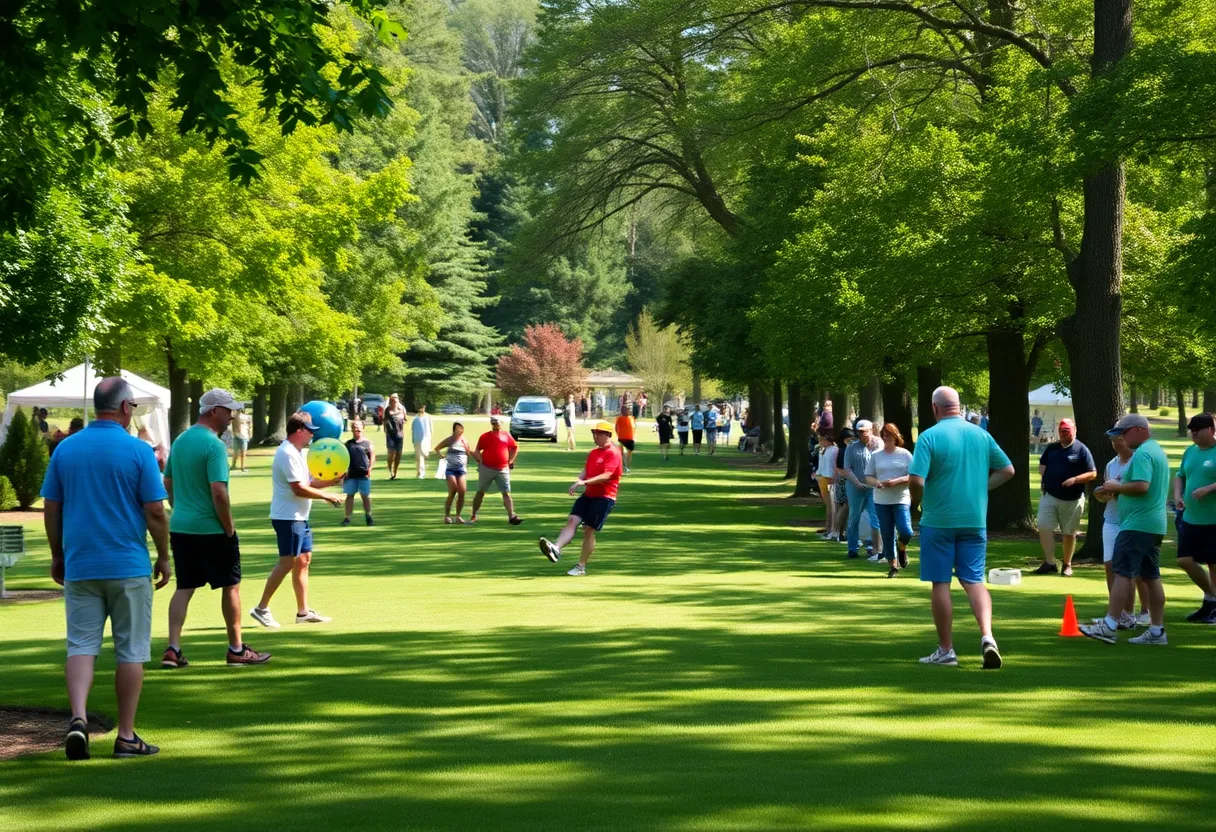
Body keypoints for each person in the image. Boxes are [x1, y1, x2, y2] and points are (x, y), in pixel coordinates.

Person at [41, 377, 170, 759]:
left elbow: (51, 506)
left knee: (81, 645)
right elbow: (155, 510)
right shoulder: (139, 450)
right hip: (127, 564)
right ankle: (126, 736)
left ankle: (78, 718)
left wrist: (57, 554)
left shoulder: (66, 448)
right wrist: (164, 556)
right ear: (126, 407)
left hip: (81, 563)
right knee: (130, 650)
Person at [161, 389, 269, 671]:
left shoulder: (181, 440)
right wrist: (229, 526)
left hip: (182, 527)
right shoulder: (214, 445)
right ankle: (236, 649)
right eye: (228, 410)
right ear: (213, 411)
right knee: (231, 586)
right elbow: (218, 492)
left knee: (185, 586)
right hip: (211, 529)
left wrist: (180, 507)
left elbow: (167, 484)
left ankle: (173, 648)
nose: (232, 415)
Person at [908, 386, 1014, 668]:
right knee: (974, 581)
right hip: (974, 519)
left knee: (940, 582)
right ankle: (988, 636)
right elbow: (1008, 470)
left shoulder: (929, 436)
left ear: (934, 408)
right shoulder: (981, 434)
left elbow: (916, 480)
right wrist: (981, 487)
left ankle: (946, 650)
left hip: (938, 520)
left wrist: (916, 503)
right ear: (957, 406)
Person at [1081, 413, 1170, 645]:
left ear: (1139, 429)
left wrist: (1116, 486)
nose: (1122, 438)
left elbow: (1141, 486)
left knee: (1121, 572)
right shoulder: (1157, 451)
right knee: (1151, 576)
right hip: (1154, 524)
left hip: (1137, 524)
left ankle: (1110, 625)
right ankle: (1157, 631)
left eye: (1124, 432)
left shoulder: (1142, 454)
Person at [250, 411, 343, 629]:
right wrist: (327, 496)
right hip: (288, 518)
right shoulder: (287, 453)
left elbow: (309, 481)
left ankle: (303, 612)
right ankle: (261, 608)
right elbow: (298, 489)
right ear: (299, 431)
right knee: (287, 563)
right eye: (310, 431)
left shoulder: (299, 453)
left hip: (300, 517)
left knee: (304, 560)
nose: (312, 435)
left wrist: (333, 481)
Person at [539, 420, 623, 576]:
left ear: (607, 435)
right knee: (572, 520)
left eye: (597, 434)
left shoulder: (613, 453)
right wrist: (578, 481)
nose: (595, 436)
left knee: (588, 530)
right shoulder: (594, 452)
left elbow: (607, 475)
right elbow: (587, 470)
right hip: (588, 495)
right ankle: (556, 548)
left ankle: (581, 567)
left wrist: (584, 482)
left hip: (604, 498)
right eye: (594, 433)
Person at [1090, 432, 1151, 629]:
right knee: (1110, 566)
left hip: (1132, 520)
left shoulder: (1138, 461)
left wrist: (1117, 490)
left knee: (1132, 570)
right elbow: (1109, 489)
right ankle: (1117, 613)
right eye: (1113, 442)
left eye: (1119, 441)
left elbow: (1141, 489)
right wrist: (1102, 493)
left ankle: (1138, 612)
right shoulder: (1111, 464)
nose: (1116, 445)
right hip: (1111, 519)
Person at [1033, 418, 1097, 576]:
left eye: (1066, 431)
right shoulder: (1052, 448)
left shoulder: (1081, 450)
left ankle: (1067, 564)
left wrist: (1075, 479)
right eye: (1061, 431)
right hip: (1050, 496)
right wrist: (1044, 479)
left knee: (1069, 533)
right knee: (1044, 526)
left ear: (1074, 431)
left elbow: (1092, 473)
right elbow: (1043, 466)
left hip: (1072, 499)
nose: (1063, 434)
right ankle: (1050, 562)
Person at [1172, 412, 1216, 623]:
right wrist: (1177, 495)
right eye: (1191, 430)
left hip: (1213, 520)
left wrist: (1209, 488)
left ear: (1211, 429)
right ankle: (1212, 599)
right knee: (1184, 560)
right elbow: (1180, 475)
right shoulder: (1190, 451)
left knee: (1214, 564)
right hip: (1190, 517)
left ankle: (1211, 606)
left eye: (1198, 430)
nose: (1194, 433)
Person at [866, 422, 914, 578]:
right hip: (881, 500)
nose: (886, 438)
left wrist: (897, 481)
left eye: (889, 435)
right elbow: (868, 476)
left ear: (895, 436)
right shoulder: (876, 455)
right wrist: (877, 483)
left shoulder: (905, 454)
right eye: (884, 435)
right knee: (887, 533)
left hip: (901, 498)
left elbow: (914, 475)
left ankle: (902, 546)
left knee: (906, 531)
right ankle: (893, 565)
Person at [470, 416, 522, 525]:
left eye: (497, 423)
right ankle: (473, 515)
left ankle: (511, 516)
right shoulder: (485, 436)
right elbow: (477, 450)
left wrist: (510, 461)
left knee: (506, 493)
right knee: (480, 492)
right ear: (491, 424)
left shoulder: (506, 435)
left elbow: (515, 447)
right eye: (494, 423)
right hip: (487, 468)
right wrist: (480, 461)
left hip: (502, 469)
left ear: (501, 424)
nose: (496, 425)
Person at [843, 420, 882, 560]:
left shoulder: (878, 444)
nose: (863, 434)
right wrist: (856, 482)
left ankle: (875, 547)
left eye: (865, 431)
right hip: (855, 486)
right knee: (854, 517)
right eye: (860, 432)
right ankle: (852, 547)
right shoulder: (851, 447)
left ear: (871, 430)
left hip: (873, 487)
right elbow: (847, 468)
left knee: (875, 516)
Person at [434, 422, 473, 523]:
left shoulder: (464, 441)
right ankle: (447, 516)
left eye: (461, 429)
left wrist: (468, 453)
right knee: (453, 490)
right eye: (458, 429)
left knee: (462, 492)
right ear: (454, 430)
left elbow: (468, 454)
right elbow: (437, 448)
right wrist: (441, 456)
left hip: (461, 470)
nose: (460, 431)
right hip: (451, 470)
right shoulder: (450, 440)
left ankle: (458, 516)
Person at [342, 420, 375, 527]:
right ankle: (347, 518)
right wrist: (344, 472)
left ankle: (368, 516)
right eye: (355, 427)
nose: (357, 429)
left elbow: (372, 456)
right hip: (351, 475)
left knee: (365, 496)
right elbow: (343, 458)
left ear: (363, 428)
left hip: (364, 474)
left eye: (359, 426)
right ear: (352, 429)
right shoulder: (348, 444)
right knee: (349, 496)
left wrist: (370, 468)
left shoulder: (367, 443)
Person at [829, 428, 854, 542]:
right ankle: (836, 530)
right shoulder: (845, 452)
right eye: (850, 439)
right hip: (846, 479)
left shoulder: (841, 451)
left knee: (843, 506)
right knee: (846, 505)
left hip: (842, 478)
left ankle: (840, 532)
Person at [815, 430, 838, 537]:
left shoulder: (834, 450)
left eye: (822, 439)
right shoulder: (823, 450)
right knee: (828, 504)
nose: (820, 441)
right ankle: (828, 526)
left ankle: (832, 528)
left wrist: (832, 477)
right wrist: (817, 474)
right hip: (823, 477)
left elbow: (833, 465)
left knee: (831, 504)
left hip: (829, 478)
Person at [382, 394, 407, 480]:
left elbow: (405, 420)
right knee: (391, 453)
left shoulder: (402, 410)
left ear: (398, 401)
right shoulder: (387, 410)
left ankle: (395, 473)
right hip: (390, 435)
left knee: (398, 454)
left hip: (399, 435)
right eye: (392, 401)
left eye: (395, 401)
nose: (394, 403)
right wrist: (385, 428)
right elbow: (384, 420)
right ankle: (390, 471)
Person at [412, 403, 434, 478]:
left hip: (426, 438)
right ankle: (419, 473)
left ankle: (422, 471)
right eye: (421, 408)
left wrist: (430, 439)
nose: (422, 409)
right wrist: (413, 440)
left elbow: (431, 429)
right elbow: (413, 429)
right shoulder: (415, 417)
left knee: (425, 455)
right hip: (417, 439)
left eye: (423, 407)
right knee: (418, 456)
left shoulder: (428, 417)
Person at [615, 405, 636, 473]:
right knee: (622, 453)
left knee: (629, 453)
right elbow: (616, 428)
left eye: (626, 410)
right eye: (623, 410)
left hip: (630, 438)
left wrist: (633, 435)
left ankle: (628, 467)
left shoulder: (632, 418)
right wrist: (618, 434)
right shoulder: (619, 418)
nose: (625, 411)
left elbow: (634, 427)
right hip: (621, 438)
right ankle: (624, 466)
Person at [231, 407, 251, 472]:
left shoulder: (237, 417)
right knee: (240, 453)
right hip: (241, 436)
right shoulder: (243, 417)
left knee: (238, 453)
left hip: (242, 436)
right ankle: (239, 467)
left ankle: (238, 466)